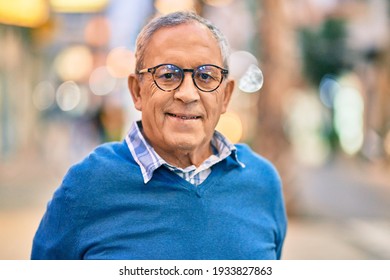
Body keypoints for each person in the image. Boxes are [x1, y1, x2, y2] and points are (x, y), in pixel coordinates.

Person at [31, 11, 287, 260]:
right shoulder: (87, 186)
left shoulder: (262, 182)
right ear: (136, 91)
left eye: (206, 76)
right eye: (168, 75)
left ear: (226, 96)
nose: (187, 94)